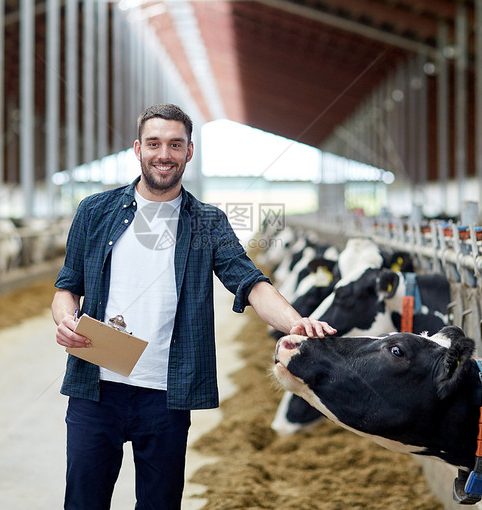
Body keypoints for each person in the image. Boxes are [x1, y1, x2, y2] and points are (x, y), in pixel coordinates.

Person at [52, 103, 335, 510]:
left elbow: (251, 282)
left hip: (167, 394)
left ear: (188, 152)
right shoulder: (95, 212)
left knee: (161, 504)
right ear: (137, 149)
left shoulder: (207, 222)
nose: (163, 154)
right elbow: (66, 288)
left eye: (174, 144)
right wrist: (66, 319)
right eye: (153, 143)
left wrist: (297, 323)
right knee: (83, 502)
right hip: (96, 388)